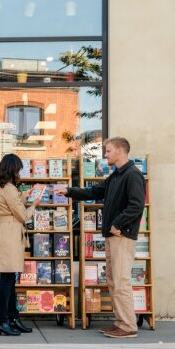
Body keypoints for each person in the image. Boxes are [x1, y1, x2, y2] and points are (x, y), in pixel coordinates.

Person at [64, 137, 146, 338]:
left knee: (121, 281)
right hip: (112, 235)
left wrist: (118, 225)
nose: (105, 155)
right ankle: (120, 322)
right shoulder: (116, 176)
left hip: (121, 236)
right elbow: (95, 191)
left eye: (108, 151)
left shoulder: (132, 175)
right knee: (113, 280)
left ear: (120, 151)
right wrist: (68, 191)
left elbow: (136, 205)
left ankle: (128, 327)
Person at [0, 153, 39, 336]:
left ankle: (11, 317)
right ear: (12, 169)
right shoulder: (9, 188)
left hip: (2, 230)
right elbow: (22, 215)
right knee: (7, 280)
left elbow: (10, 204)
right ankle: (2, 320)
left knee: (8, 279)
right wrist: (34, 205)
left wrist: (25, 196)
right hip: (10, 233)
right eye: (18, 169)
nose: (19, 172)